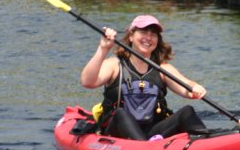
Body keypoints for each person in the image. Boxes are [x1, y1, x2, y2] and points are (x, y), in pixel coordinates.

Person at [80, 15, 208, 140]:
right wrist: (103, 49)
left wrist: (195, 88)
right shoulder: (114, 65)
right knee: (120, 113)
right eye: (143, 32)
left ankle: (204, 142)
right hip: (117, 131)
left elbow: (185, 87)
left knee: (187, 111)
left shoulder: (162, 68)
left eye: (153, 34)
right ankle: (144, 148)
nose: (148, 38)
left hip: (153, 131)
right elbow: (87, 82)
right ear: (131, 36)